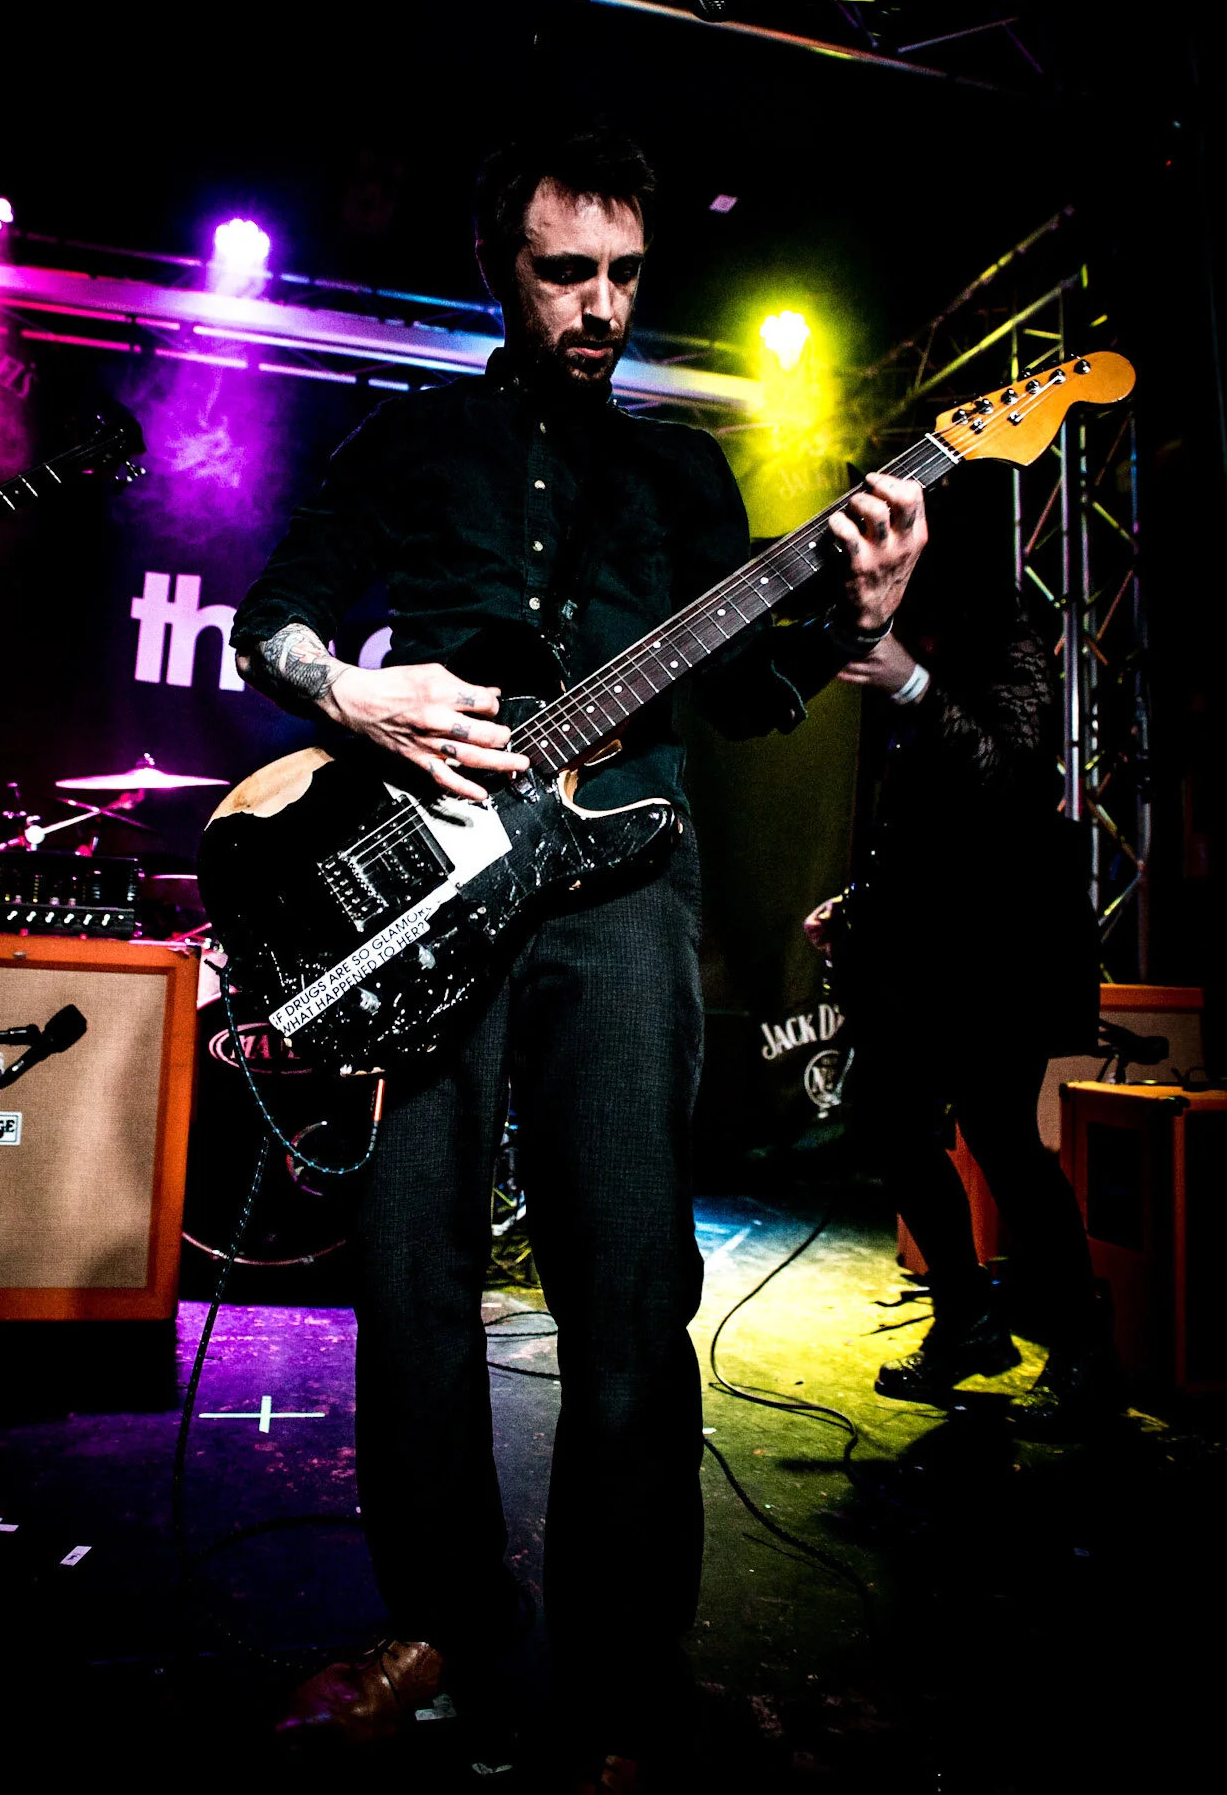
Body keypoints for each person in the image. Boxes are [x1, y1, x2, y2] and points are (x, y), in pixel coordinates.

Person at [230, 125, 926, 1785]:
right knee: (412, 1277)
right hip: (430, 887)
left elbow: (748, 693)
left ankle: (624, 1676)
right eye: (566, 274)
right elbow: (274, 621)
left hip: (625, 895)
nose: (602, 306)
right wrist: (353, 688)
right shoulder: (412, 442)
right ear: (504, 271)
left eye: (624, 275)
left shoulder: (683, 477)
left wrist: (852, 617)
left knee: (628, 1285)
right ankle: (445, 1626)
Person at [804, 479, 1121, 1427]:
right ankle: (968, 1322)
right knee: (888, 1121)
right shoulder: (891, 633)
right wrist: (855, 902)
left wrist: (911, 681)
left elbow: (1015, 779)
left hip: (1003, 938)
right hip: (923, 936)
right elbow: (921, 817)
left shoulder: (1003, 631)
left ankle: (1083, 1353)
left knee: (997, 1134)